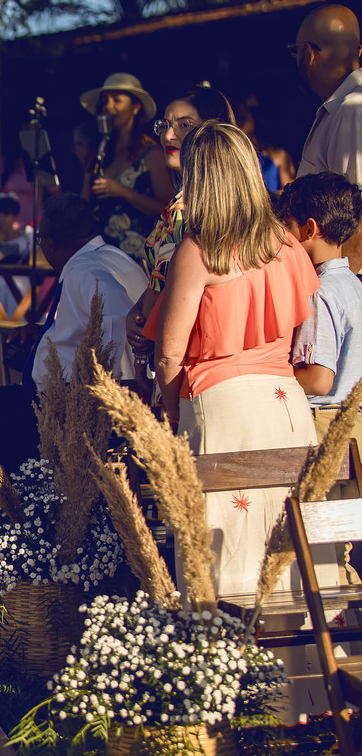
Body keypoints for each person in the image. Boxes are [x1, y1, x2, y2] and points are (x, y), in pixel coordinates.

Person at [146, 121, 322, 595]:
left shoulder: (199, 251)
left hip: (220, 405)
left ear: (198, 180)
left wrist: (172, 412)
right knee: (289, 543)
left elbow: (168, 355)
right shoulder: (286, 244)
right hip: (285, 406)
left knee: (223, 553)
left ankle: (224, 641)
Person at [126, 85, 236, 391]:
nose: (168, 136)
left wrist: (146, 330)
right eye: (164, 125)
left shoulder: (191, 206)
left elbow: (177, 281)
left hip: (185, 361)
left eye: (184, 125)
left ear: (214, 130)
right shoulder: (203, 198)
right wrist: (138, 310)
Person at [26, 192, 146, 393]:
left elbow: (119, 320)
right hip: (75, 392)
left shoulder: (84, 270)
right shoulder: (114, 256)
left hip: (78, 398)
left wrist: (113, 391)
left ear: (49, 243)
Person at [282, 172, 362, 441]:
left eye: (287, 225)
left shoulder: (320, 292)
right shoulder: (353, 284)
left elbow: (318, 380)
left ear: (309, 229)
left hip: (325, 425)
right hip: (352, 421)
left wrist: (271, 374)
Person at [292, 5, 362, 271]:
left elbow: (357, 217)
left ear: (308, 54)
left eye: (296, 52)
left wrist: (344, 288)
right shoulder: (342, 108)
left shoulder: (352, 109)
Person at [79, 73, 171, 260]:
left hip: (137, 258)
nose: (108, 107)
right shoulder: (100, 152)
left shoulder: (151, 154)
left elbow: (167, 209)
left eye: (117, 100)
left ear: (136, 106)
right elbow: (83, 204)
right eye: (105, 101)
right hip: (99, 255)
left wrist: (124, 192)